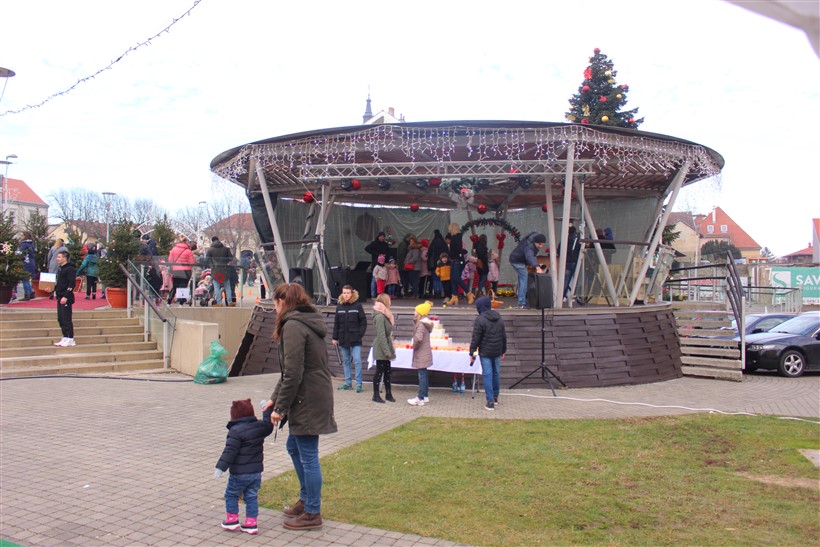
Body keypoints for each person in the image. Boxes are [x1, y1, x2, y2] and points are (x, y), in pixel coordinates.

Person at [262, 283, 337, 531]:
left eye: (275, 303)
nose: (274, 308)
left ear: (283, 301)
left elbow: (293, 373)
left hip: (308, 397)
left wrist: (280, 409)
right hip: (311, 393)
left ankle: (312, 511)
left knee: (308, 454)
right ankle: (306, 500)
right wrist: (275, 398)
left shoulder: (293, 325)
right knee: (294, 447)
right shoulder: (303, 321)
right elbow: (289, 371)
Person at [214, 399, 274, 535]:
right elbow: (268, 425)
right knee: (251, 496)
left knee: (231, 495)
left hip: (239, 473)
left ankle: (232, 520)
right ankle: (251, 523)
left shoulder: (235, 431)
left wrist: (220, 467)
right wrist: (266, 410)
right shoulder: (259, 427)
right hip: (256, 473)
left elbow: (230, 451)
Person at [469, 296, 508, 411]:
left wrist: (472, 353)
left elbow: (476, 338)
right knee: (496, 374)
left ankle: (490, 401)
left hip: (485, 352)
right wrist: (503, 350)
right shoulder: (499, 318)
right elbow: (504, 336)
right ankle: (495, 397)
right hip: (497, 350)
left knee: (487, 375)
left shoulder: (480, 319)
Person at [332, 285, 367, 393]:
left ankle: (359, 383)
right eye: (344, 293)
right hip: (343, 337)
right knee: (346, 361)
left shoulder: (357, 306)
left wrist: (360, 334)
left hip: (355, 338)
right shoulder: (339, 306)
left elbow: (363, 321)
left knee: (357, 360)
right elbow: (336, 323)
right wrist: (334, 337)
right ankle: (348, 383)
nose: (346, 295)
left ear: (352, 294)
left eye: (348, 293)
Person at [508, 231, 547, 309]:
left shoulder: (533, 239)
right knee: (524, 280)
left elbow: (532, 256)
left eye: (542, 244)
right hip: (517, 261)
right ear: (535, 242)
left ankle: (522, 300)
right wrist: (537, 267)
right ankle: (522, 303)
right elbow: (530, 257)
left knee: (522, 280)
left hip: (518, 259)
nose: (540, 246)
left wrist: (536, 265)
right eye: (539, 244)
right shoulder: (529, 247)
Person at [370, 293, 396, 404]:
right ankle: (376, 395)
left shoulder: (385, 314)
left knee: (387, 372)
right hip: (381, 346)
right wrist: (386, 351)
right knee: (380, 371)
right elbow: (381, 335)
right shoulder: (380, 316)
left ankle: (388, 394)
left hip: (386, 343)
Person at [407, 301, 434, 406]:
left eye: (415, 310)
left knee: (422, 375)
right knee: (424, 373)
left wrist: (414, 345)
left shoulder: (421, 325)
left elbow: (418, 338)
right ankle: (425, 395)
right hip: (425, 352)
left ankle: (420, 397)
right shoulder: (424, 323)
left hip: (421, 353)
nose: (414, 312)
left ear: (419, 313)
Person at [53, 250, 76, 347]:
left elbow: (71, 283)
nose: (57, 259)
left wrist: (66, 296)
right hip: (59, 296)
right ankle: (65, 336)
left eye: (59, 257)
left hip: (66, 297)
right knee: (60, 318)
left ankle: (70, 338)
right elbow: (60, 282)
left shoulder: (70, 269)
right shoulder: (60, 268)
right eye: (57, 257)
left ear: (65, 258)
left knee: (66, 318)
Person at [207, 236, 235, 307]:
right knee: (227, 287)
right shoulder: (226, 249)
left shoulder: (210, 250)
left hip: (215, 270)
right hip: (225, 270)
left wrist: (211, 265)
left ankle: (219, 302)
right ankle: (230, 302)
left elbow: (206, 260)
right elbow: (231, 259)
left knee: (216, 287)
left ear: (212, 241)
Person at [168, 236, 195, 305]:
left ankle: (169, 301)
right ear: (186, 242)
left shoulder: (173, 249)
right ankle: (181, 303)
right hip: (186, 271)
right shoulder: (188, 251)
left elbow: (170, 261)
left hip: (176, 270)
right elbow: (192, 262)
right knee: (183, 287)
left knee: (175, 286)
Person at [447, 223, 470, 304]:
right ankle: (454, 296)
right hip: (455, 260)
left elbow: (457, 249)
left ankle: (468, 292)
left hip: (457, 260)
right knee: (453, 278)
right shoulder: (456, 238)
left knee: (456, 278)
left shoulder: (456, 238)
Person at [364, 232, 389, 297]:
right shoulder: (374, 243)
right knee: (374, 278)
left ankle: (380, 294)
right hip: (375, 262)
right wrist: (376, 254)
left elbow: (388, 252)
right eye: (381, 236)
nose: (382, 238)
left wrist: (385, 255)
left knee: (382, 279)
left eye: (383, 237)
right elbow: (367, 248)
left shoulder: (385, 244)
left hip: (383, 263)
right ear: (378, 237)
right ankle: (373, 294)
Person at [18, 232, 36, 301]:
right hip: (31, 262)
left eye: (21, 235)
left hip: (26, 262)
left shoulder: (24, 244)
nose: (20, 236)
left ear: (25, 236)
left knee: (24, 279)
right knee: (27, 279)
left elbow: (20, 253)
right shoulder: (31, 243)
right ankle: (31, 293)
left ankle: (27, 294)